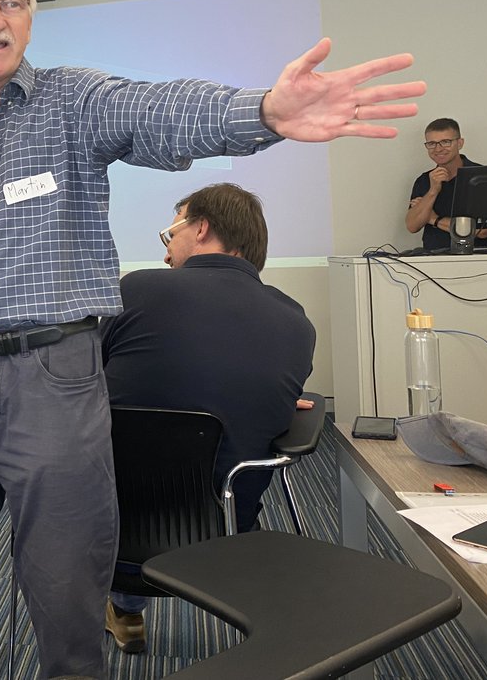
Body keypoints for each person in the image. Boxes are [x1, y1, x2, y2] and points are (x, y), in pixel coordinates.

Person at [0, 0, 423, 679]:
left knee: (66, 587)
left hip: (53, 372)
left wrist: (262, 110)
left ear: (29, 23)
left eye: (12, 3)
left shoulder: (73, 101)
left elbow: (161, 110)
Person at [99, 182, 316, 652]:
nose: (165, 254)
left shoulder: (136, 289)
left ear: (200, 229)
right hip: (225, 540)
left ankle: (125, 608)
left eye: (169, 235)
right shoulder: (295, 321)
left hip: (105, 541)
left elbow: (78, 378)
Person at [405, 117, 487, 250]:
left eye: (445, 142)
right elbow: (412, 225)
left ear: (460, 143)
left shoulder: (481, 177)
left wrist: (433, 219)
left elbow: (483, 231)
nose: (438, 149)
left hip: (479, 259)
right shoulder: (424, 180)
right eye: (432, 143)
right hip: (434, 260)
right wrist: (433, 190)